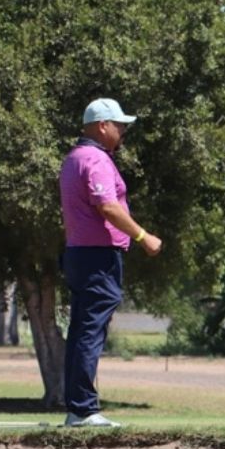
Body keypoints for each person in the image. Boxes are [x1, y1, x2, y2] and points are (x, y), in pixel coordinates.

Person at [58, 98, 163, 427]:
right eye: (119, 125)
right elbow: (108, 206)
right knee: (90, 330)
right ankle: (84, 410)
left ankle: (77, 408)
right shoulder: (96, 159)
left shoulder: (73, 158)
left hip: (78, 253)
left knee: (81, 329)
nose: (123, 131)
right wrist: (143, 236)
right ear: (102, 126)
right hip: (97, 257)